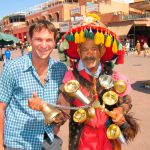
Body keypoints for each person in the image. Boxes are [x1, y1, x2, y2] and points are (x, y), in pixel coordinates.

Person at [29, 14, 139, 150]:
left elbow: (127, 101)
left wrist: (120, 110)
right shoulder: (71, 77)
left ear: (102, 51)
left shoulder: (114, 76)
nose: (89, 54)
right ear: (79, 52)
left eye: (94, 49)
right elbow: (63, 111)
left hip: (109, 138)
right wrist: (44, 108)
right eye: (85, 49)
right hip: (82, 140)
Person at [0, 19, 67, 150]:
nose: (44, 45)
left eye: (48, 40)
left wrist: (58, 122)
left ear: (55, 42)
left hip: (50, 142)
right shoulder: (13, 68)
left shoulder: (60, 69)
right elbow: (1, 107)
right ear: (29, 40)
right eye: (38, 39)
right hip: (18, 143)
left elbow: (63, 108)